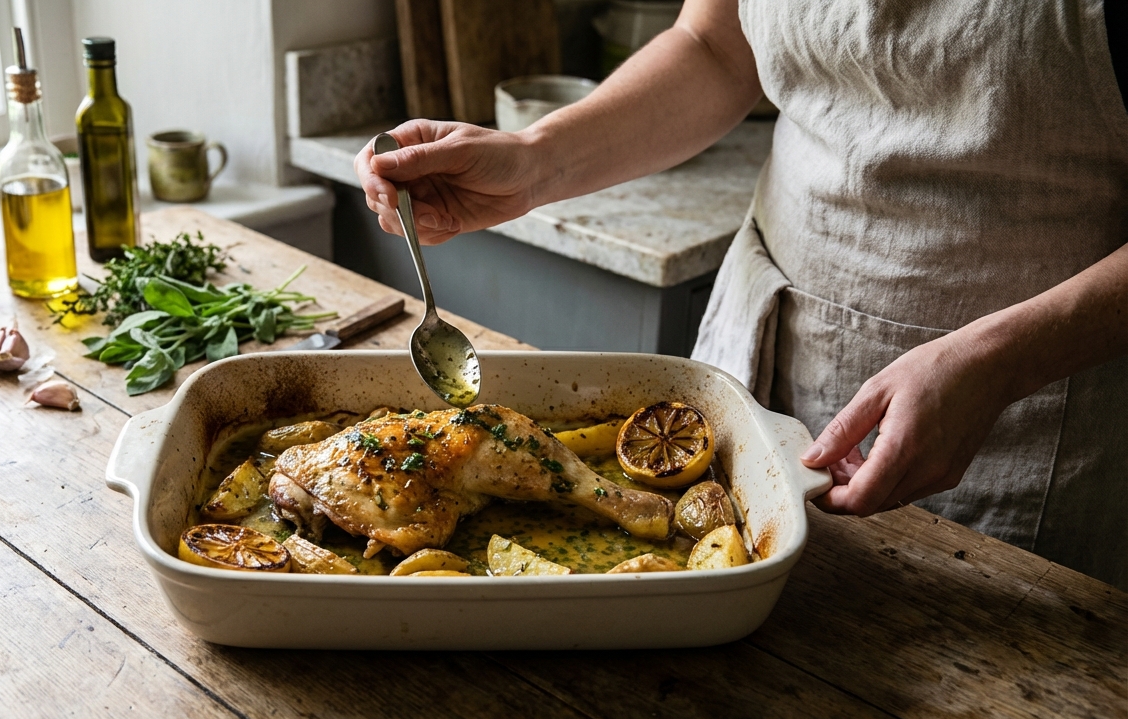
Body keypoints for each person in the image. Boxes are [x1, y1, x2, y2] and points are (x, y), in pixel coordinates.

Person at [354, 0, 1128, 589]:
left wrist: (998, 362)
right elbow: (719, 46)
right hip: (764, 344)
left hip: (1029, 398)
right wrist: (536, 158)